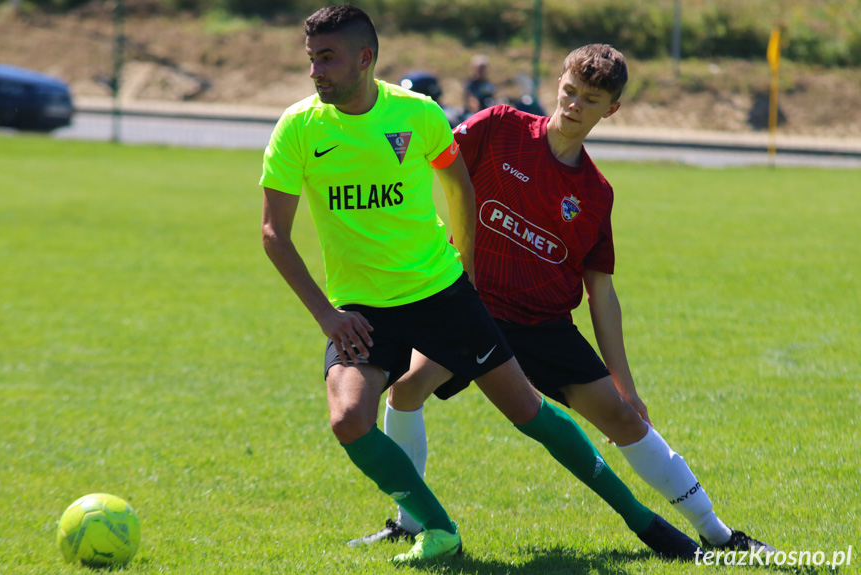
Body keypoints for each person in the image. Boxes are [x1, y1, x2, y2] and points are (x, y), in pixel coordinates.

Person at [261, 6, 700, 565]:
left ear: (365, 58)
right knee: (350, 418)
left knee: (528, 412)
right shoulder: (299, 126)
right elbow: (274, 233)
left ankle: (647, 524)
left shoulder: (417, 115)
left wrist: (464, 268)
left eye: (328, 58)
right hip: (361, 307)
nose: (316, 71)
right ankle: (434, 528)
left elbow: (458, 185)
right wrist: (328, 316)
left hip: (441, 294)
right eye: (312, 59)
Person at [350, 44, 776, 555]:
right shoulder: (499, 127)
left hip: (543, 324)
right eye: (569, 91)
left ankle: (719, 535)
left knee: (624, 419)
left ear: (610, 109)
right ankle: (414, 523)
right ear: (559, 83)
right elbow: (430, 160)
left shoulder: (595, 193)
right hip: (470, 309)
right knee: (407, 389)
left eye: (590, 99)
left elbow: (602, 290)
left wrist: (626, 383)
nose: (573, 105)